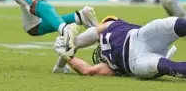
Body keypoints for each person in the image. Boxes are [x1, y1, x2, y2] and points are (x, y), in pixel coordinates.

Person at [54, 15, 186, 79]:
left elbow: (93, 32)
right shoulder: (108, 64)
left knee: (174, 24)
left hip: (140, 37)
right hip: (135, 63)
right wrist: (68, 56)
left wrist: (70, 48)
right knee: (168, 67)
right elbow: (88, 71)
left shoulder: (111, 25)